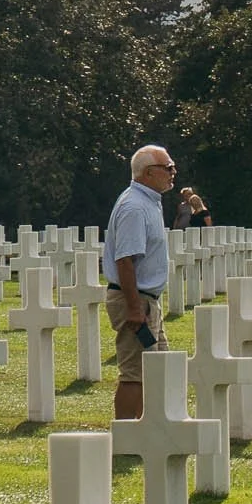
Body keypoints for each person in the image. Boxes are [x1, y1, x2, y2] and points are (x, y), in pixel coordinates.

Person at [106, 144, 182, 420]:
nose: (174, 172)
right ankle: (126, 439)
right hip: (135, 300)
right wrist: (135, 308)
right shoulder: (134, 207)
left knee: (159, 368)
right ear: (149, 172)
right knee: (135, 373)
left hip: (146, 299)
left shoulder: (148, 202)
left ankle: (145, 430)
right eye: (168, 167)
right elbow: (125, 260)